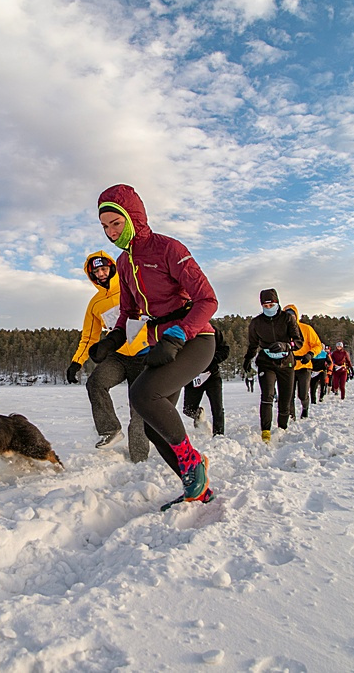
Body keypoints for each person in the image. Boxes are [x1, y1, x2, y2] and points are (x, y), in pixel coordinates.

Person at [90, 184, 217, 509]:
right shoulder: (122, 263)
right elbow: (129, 313)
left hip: (196, 338)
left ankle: (193, 465)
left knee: (143, 394)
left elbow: (207, 299)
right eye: (104, 226)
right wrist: (113, 340)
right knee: (150, 422)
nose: (110, 232)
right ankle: (197, 489)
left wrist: (177, 335)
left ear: (133, 218)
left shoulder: (168, 249)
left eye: (115, 223)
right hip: (161, 341)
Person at [66, 251, 150, 461]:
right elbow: (89, 337)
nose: (101, 274)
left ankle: (139, 458)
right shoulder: (95, 304)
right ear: (91, 275)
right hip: (119, 356)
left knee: (138, 406)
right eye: (96, 271)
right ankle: (110, 430)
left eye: (104, 269)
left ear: (112, 268)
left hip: (144, 354)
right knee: (95, 383)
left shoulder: (130, 286)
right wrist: (77, 362)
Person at [242, 289, 303, 442]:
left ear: (277, 303)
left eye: (271, 304)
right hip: (266, 362)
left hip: (286, 363)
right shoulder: (256, 322)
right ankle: (266, 432)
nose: (268, 308)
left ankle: (282, 428)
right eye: (265, 305)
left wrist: (286, 346)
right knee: (267, 394)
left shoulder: (288, 319)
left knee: (285, 397)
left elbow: (298, 341)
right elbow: (253, 344)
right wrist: (247, 360)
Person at [182, 328, 229, 436]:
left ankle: (219, 435)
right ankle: (198, 414)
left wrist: (212, 360)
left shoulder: (213, 330)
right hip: (192, 377)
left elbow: (225, 349)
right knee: (188, 409)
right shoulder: (184, 330)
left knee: (217, 407)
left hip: (212, 375)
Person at [283, 304, 322, 419]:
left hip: (304, 365)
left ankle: (305, 408)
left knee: (303, 394)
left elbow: (317, 345)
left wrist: (310, 354)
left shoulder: (306, 329)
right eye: (287, 316)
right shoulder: (283, 331)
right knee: (289, 395)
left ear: (296, 316)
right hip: (289, 365)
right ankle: (291, 416)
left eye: (292, 315)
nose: (290, 318)